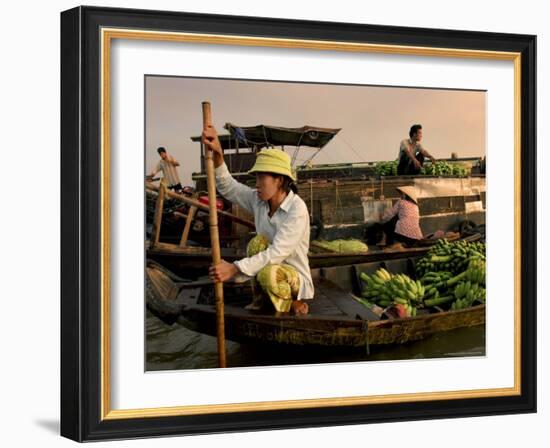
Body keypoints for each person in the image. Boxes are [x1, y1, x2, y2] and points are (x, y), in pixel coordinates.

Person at [202, 125, 312, 315]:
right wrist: (218, 155)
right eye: (256, 178)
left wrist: (235, 268)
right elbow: (229, 187)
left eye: (262, 178)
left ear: (279, 180)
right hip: (267, 270)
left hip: (293, 278)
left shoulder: (297, 209)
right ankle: (262, 299)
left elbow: (278, 252)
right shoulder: (259, 201)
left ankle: (293, 303)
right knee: (257, 243)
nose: (257, 184)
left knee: (269, 273)